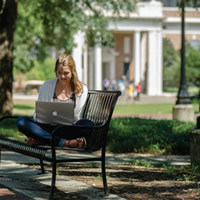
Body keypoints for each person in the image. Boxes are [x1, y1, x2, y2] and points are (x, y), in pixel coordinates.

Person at [17, 54, 93, 149]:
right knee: (22, 121)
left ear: (72, 72)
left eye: (66, 73)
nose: (62, 76)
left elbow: (78, 117)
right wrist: (40, 117)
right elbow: (38, 114)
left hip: (67, 129)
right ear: (55, 71)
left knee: (87, 124)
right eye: (59, 72)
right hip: (47, 127)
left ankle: (43, 140)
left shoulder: (82, 89)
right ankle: (66, 143)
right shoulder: (46, 85)